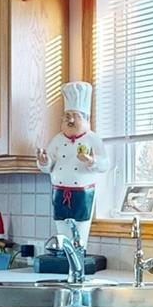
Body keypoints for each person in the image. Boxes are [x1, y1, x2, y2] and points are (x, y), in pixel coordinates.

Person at [36, 81, 109, 247]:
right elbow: (48, 166)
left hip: (83, 193)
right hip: (59, 192)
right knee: (62, 227)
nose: (69, 120)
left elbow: (104, 164)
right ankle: (65, 255)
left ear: (85, 118)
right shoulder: (57, 140)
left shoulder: (92, 139)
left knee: (80, 228)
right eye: (67, 116)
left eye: (74, 116)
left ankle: (79, 254)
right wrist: (44, 162)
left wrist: (91, 161)